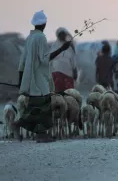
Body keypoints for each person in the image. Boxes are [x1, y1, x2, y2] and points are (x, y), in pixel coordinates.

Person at [11, 10, 72, 143]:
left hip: (30, 79)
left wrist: (21, 80)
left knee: (36, 106)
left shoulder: (29, 38)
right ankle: (22, 125)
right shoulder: (41, 38)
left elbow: (22, 61)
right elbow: (45, 59)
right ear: (44, 24)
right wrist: (62, 49)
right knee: (42, 107)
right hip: (40, 79)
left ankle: (41, 134)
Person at [50, 27, 78, 93]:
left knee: (69, 94)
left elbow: (73, 59)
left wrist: (75, 71)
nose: (63, 36)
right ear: (58, 35)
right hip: (57, 73)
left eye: (64, 34)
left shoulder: (69, 45)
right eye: (61, 34)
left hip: (68, 74)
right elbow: (50, 59)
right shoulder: (54, 45)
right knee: (58, 94)